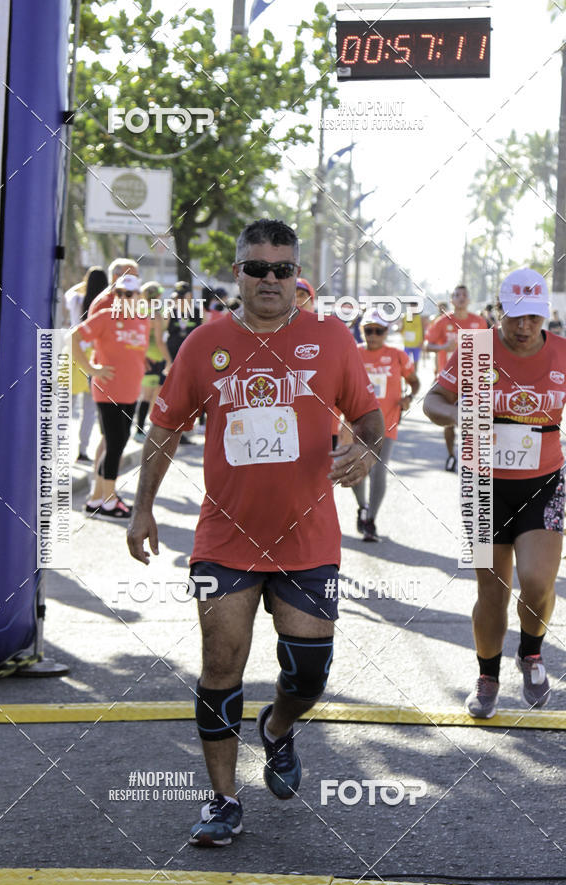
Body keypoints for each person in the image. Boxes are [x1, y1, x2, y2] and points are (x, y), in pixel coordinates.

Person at [127, 219, 384, 846]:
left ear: (297, 276)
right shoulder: (205, 342)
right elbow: (165, 428)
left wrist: (367, 452)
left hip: (308, 538)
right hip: (225, 536)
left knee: (308, 673)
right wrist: (141, 507)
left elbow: (370, 420)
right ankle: (223, 799)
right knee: (220, 663)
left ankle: (276, 727)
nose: (271, 279)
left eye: (283, 269)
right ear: (237, 273)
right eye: (257, 268)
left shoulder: (330, 338)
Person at [423, 268, 564, 718]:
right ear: (499, 311)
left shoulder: (561, 352)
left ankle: (531, 652)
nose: (524, 327)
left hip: (544, 483)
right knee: (493, 589)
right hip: (483, 485)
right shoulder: (476, 349)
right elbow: (432, 401)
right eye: (515, 316)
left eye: (534, 317)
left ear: (545, 314)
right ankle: (487, 677)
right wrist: (460, 413)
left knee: (538, 582)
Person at [71, 274, 150, 519]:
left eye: (129, 294)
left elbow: (135, 352)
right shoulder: (106, 316)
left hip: (131, 390)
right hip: (108, 390)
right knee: (115, 444)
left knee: (119, 442)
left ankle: (97, 499)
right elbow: (74, 337)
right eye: (119, 294)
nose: (123, 298)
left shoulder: (143, 319)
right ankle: (108, 501)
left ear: (139, 296)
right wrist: (91, 368)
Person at [341, 310, 420, 542]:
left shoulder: (397, 355)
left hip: (387, 422)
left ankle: (371, 520)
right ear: (361, 330)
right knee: (354, 470)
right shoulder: (352, 353)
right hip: (356, 423)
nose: (373, 335)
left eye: (379, 331)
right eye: (368, 330)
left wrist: (409, 397)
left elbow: (414, 381)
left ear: (386, 332)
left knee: (378, 471)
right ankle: (362, 507)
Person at [424, 285, 487, 471]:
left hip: (473, 379)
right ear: (452, 300)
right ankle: (451, 454)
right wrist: (443, 347)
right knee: (450, 422)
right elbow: (427, 346)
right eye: (457, 295)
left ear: (469, 300)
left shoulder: (479, 322)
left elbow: (487, 349)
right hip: (448, 379)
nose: (461, 298)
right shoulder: (443, 321)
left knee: (471, 417)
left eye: (464, 295)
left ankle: (470, 460)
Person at [65, 267, 108, 462]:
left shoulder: (76, 299)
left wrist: (84, 284)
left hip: (74, 352)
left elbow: (68, 293)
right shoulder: (102, 305)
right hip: (94, 355)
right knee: (89, 409)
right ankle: (82, 451)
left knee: (67, 405)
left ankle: (58, 448)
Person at [134, 282, 172, 442]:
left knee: (150, 395)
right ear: (157, 296)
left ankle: (144, 428)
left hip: (143, 356)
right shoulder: (155, 314)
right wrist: (169, 360)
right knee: (148, 396)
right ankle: (139, 430)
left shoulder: (138, 310)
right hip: (154, 357)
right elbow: (160, 341)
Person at [399, 301, 427, 373]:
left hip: (417, 344)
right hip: (407, 344)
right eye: (410, 306)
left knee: (416, 362)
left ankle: (415, 375)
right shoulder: (404, 317)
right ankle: (406, 376)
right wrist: (399, 330)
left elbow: (423, 330)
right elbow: (402, 328)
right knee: (405, 362)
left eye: (414, 307)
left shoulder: (420, 318)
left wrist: (423, 341)